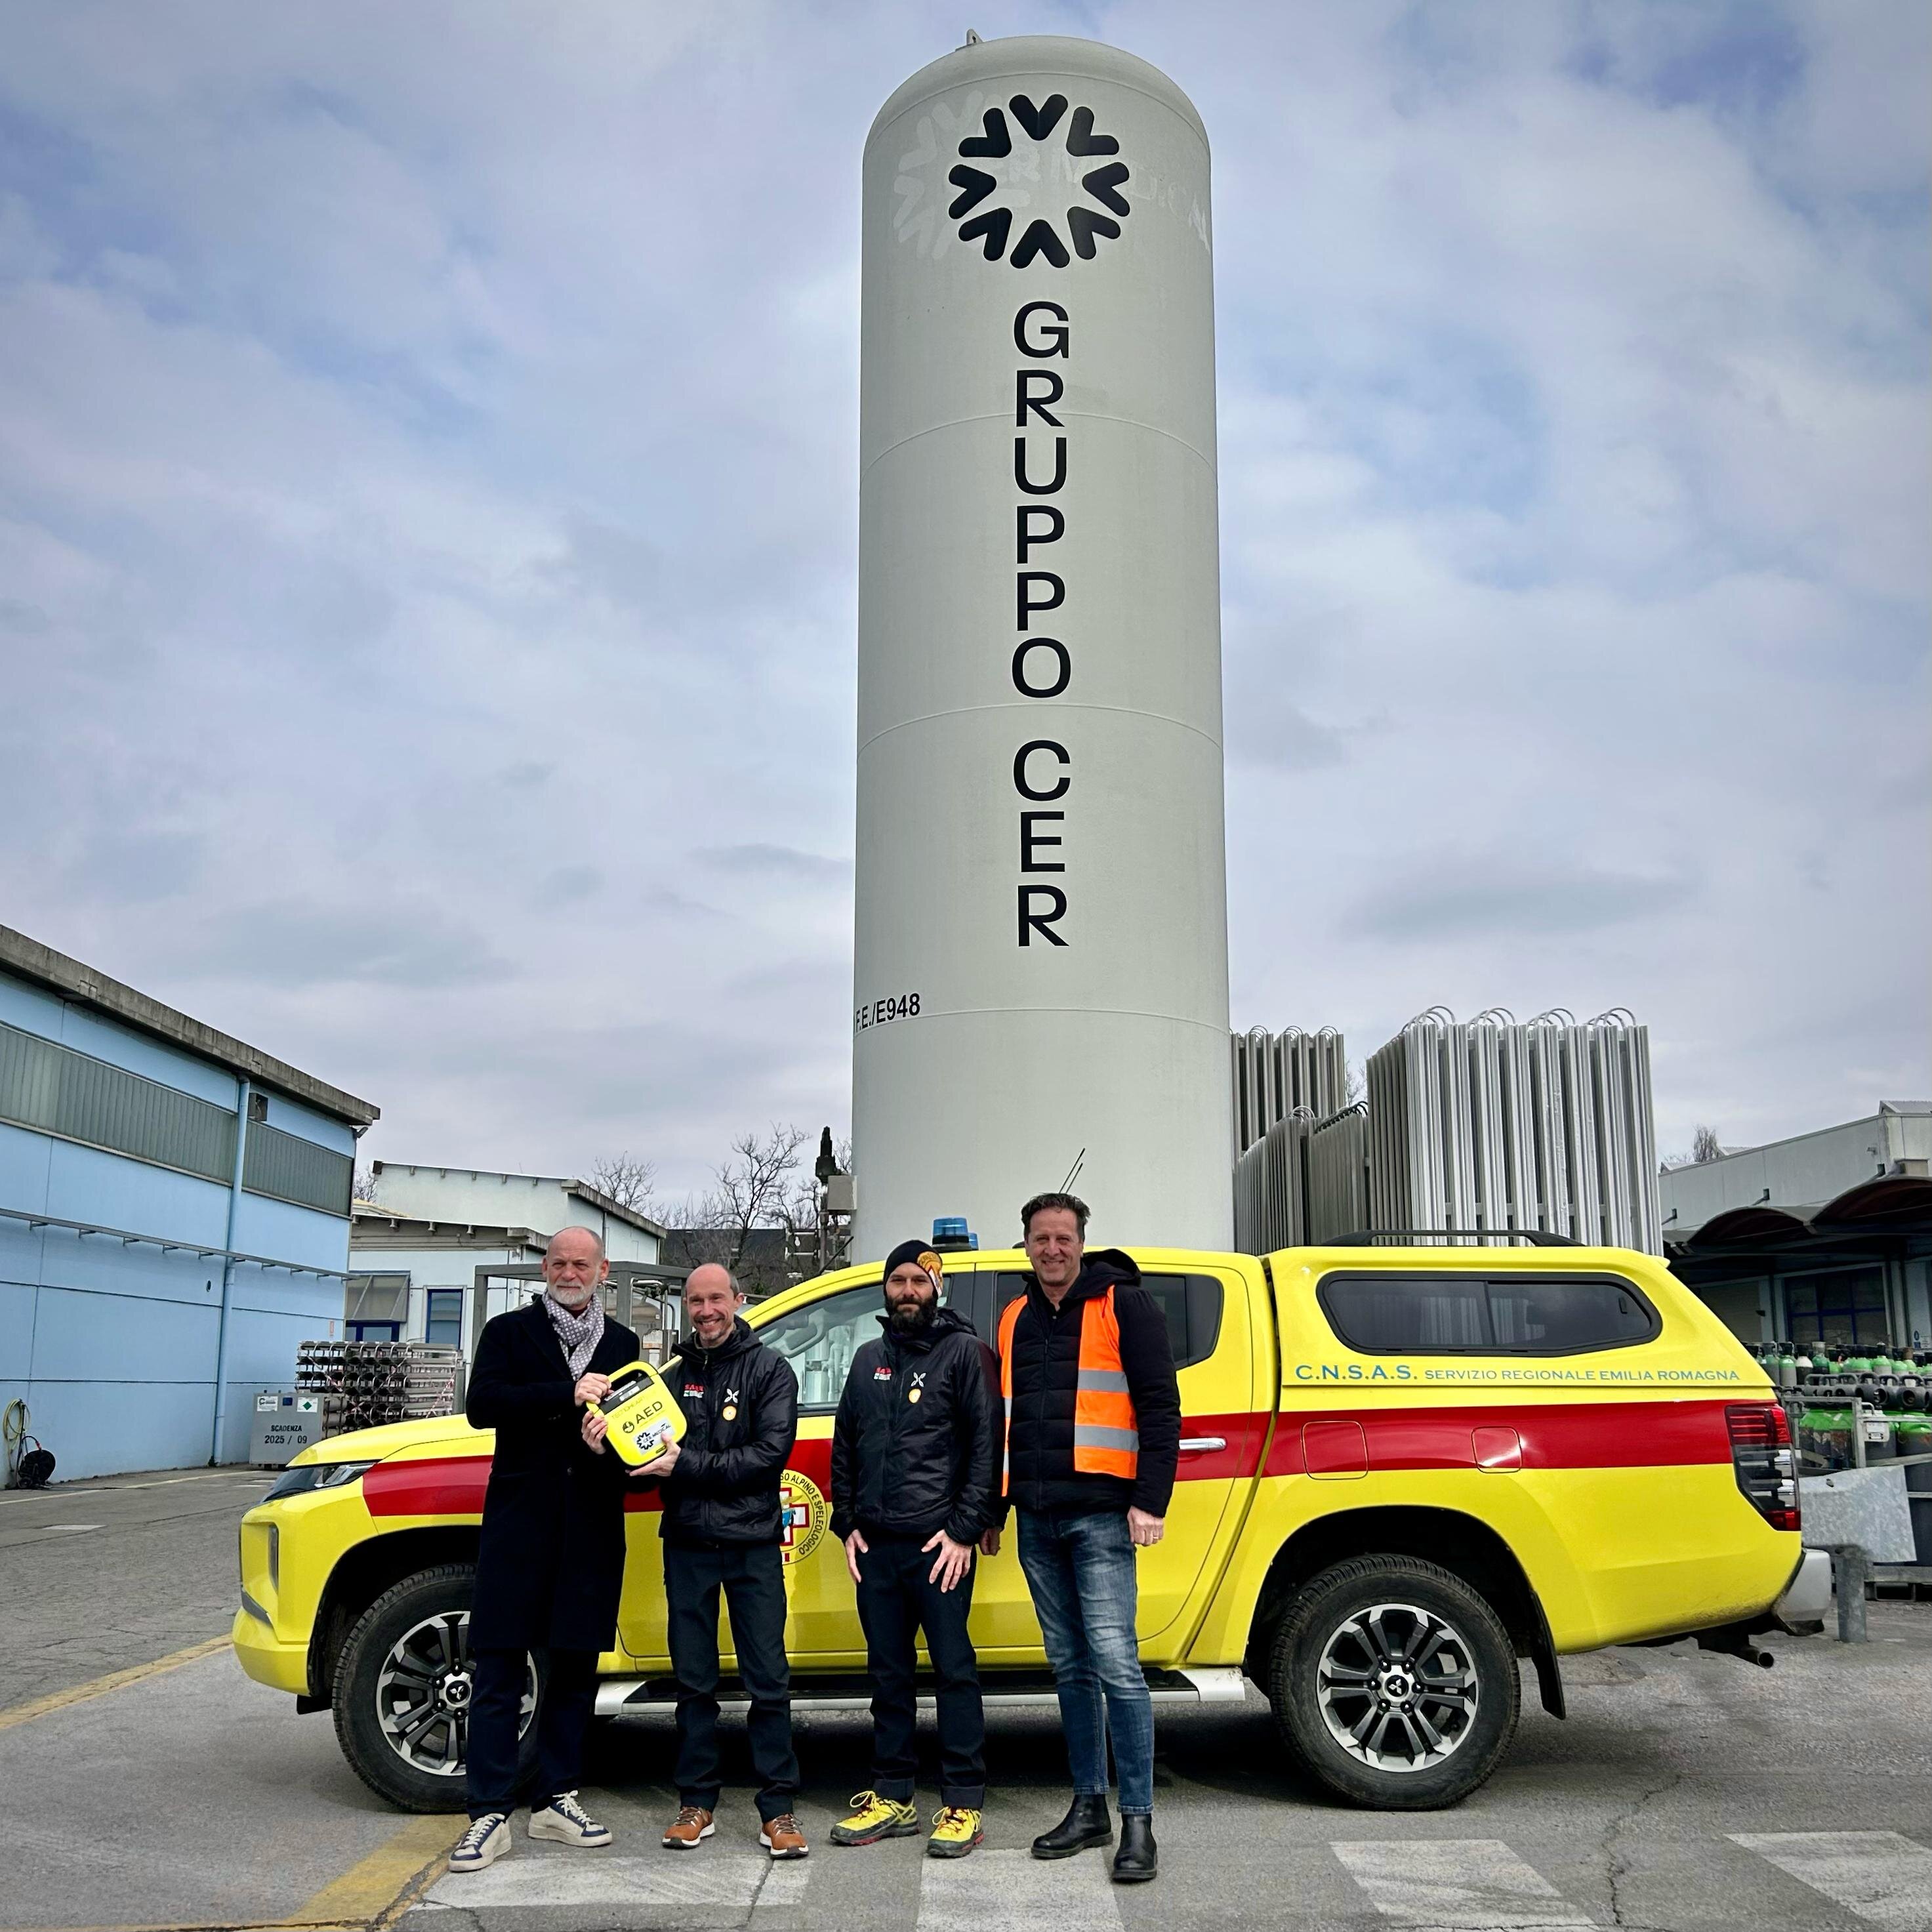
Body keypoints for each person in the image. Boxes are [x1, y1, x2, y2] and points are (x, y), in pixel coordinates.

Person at [988, 1192, 1180, 1884]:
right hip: (1036, 1518)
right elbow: (1001, 1418)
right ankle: (1087, 1805)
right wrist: (994, 1508)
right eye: (1040, 1238)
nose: (1052, 1249)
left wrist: (1149, 1500)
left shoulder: (1121, 1304)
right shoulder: (1013, 1316)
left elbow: (1160, 1407)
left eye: (1062, 1237)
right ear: (1027, 1244)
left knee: (1116, 1666)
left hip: (1101, 1514)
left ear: (1080, 1240)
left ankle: (1137, 1819)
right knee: (1068, 1670)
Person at [448, 1227, 638, 1874]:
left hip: (589, 1529)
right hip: (518, 1528)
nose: (567, 1271)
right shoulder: (508, 1331)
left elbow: (631, 1438)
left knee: (574, 1671)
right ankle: (488, 1811)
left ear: (602, 1270)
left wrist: (601, 1443)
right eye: (557, 1261)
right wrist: (569, 1392)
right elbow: (484, 1405)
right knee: (499, 1670)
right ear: (543, 1267)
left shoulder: (624, 1344)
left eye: (579, 1262)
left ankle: (557, 1797)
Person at [829, 1241, 1000, 1859]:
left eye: (917, 1281)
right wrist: (846, 1521)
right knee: (888, 1674)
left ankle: (962, 1802)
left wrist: (962, 1529)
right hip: (876, 1545)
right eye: (897, 1280)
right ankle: (894, 1793)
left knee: (953, 1671)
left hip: (939, 1545)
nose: (906, 1290)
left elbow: (986, 1446)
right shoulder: (867, 1358)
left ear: (936, 1288)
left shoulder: (964, 1353)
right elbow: (845, 1445)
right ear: (886, 1289)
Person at [638, 1264, 808, 1859]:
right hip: (686, 1545)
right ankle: (696, 1802)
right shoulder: (675, 1375)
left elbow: (765, 1458)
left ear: (738, 1300)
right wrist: (605, 1442)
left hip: (751, 1545)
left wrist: (684, 1467)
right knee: (693, 1684)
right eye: (695, 1300)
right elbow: (642, 1460)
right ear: (686, 1306)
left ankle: (778, 1810)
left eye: (716, 1299)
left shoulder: (770, 1371)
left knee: (768, 1682)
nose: (706, 1310)